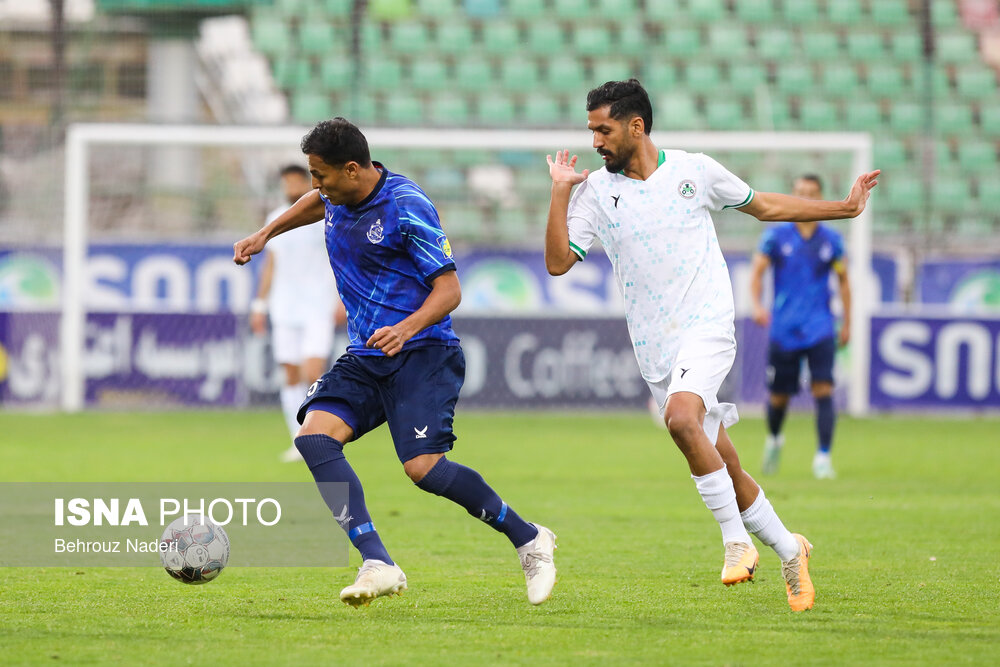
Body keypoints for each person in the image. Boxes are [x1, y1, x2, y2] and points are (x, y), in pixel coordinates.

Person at [544, 79, 878, 612]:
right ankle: (792, 550)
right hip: (656, 349)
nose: (595, 142)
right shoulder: (594, 194)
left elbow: (764, 206)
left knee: (681, 421)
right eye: (591, 131)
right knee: (724, 461)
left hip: (708, 325)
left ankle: (734, 542)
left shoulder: (694, 171)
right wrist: (560, 193)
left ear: (636, 126)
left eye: (603, 130)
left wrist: (845, 207)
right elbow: (559, 261)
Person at [234, 118, 556, 607]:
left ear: (351, 169)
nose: (316, 187)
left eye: (321, 176)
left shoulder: (406, 206)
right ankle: (377, 562)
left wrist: (406, 327)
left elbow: (450, 291)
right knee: (315, 439)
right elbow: (311, 204)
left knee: (424, 469)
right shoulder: (334, 195)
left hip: (423, 351)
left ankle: (529, 538)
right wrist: (266, 233)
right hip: (368, 354)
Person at [750, 175, 851, 480]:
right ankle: (775, 439)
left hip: (820, 325)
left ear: (820, 196)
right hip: (784, 328)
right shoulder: (776, 236)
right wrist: (756, 305)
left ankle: (823, 457)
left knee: (824, 389)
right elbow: (757, 273)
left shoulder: (831, 239)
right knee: (779, 397)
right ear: (792, 195)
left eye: (811, 193)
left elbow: (844, 280)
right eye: (800, 192)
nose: (805, 197)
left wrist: (847, 321)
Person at [250, 164, 344, 463]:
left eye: (295, 180)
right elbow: (271, 266)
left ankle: (320, 434)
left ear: (307, 182)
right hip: (284, 305)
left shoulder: (325, 216)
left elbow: (339, 260)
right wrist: (259, 305)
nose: (291, 186)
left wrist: (341, 299)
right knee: (290, 373)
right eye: (286, 181)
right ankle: (298, 438)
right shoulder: (274, 218)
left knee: (312, 371)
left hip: (317, 304)